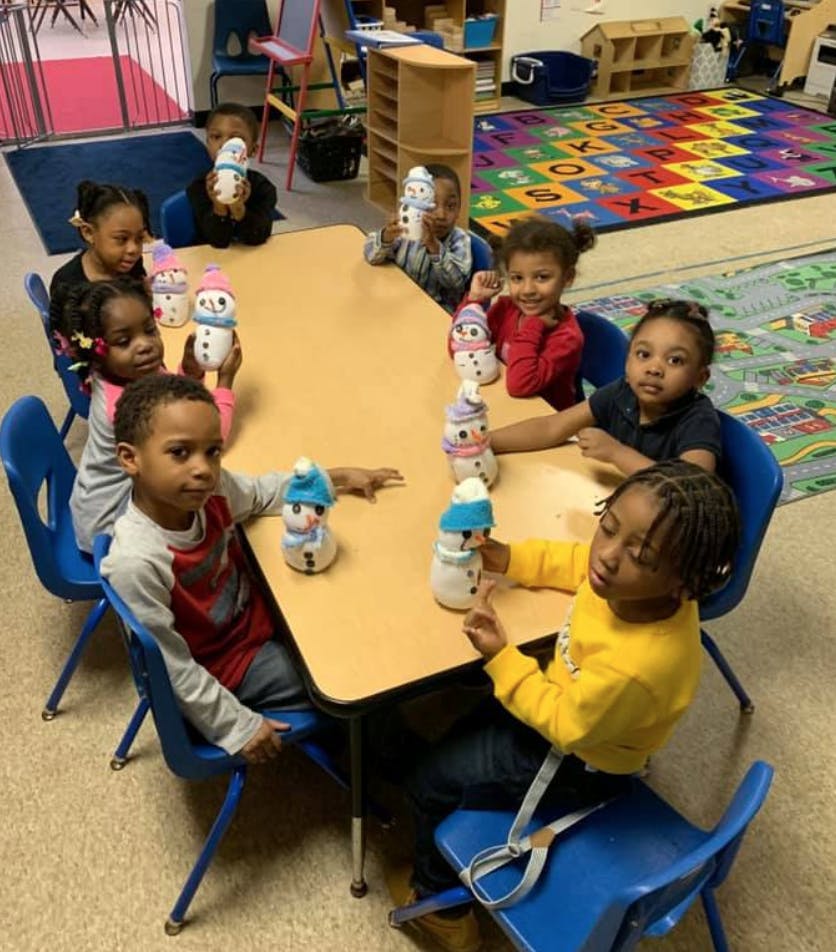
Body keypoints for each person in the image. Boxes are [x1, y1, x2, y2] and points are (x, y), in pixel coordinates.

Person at [388, 460, 740, 952]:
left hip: (571, 759)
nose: (609, 556)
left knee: (429, 783)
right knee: (465, 726)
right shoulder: (626, 584)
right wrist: (510, 557)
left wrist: (501, 658)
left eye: (640, 554)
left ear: (685, 582)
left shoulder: (638, 667)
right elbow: (578, 562)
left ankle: (442, 907)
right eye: (608, 527)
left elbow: (565, 726)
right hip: (566, 707)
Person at [100, 373, 403, 762]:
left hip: (255, 615)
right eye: (180, 452)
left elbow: (261, 492)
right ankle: (406, 768)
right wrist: (236, 726)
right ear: (130, 458)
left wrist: (337, 477)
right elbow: (171, 669)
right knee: (354, 683)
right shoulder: (136, 561)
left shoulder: (209, 491)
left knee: (358, 617)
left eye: (212, 451)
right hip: (228, 665)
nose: (203, 469)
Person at [50, 277, 240, 552]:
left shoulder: (131, 373)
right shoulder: (121, 405)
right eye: (124, 341)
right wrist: (225, 383)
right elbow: (210, 435)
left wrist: (190, 371)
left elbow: (175, 409)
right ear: (96, 352)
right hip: (107, 523)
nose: (145, 345)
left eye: (150, 330)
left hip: (100, 497)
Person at [491, 298, 722, 473]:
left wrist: (617, 454)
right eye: (643, 354)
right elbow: (552, 427)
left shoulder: (697, 419)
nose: (654, 369)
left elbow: (692, 489)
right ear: (628, 360)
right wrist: (484, 442)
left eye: (675, 360)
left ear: (700, 378)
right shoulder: (623, 392)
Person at [456, 215, 596, 411]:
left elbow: (519, 385)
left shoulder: (567, 337)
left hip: (545, 424)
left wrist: (533, 325)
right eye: (517, 278)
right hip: (503, 406)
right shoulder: (507, 308)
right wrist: (474, 301)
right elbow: (461, 349)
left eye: (541, 277)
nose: (527, 289)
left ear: (568, 277)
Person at [363, 164, 472, 314]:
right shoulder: (406, 231)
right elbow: (370, 256)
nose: (441, 214)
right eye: (432, 205)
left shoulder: (460, 239)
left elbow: (457, 283)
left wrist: (434, 247)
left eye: (451, 206)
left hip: (437, 311)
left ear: (460, 209)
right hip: (400, 300)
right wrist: (386, 237)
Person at [49, 180, 150, 328]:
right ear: (88, 232)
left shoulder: (132, 266)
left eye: (139, 238)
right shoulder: (67, 285)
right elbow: (68, 344)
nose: (133, 249)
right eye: (121, 239)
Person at [186, 101, 277, 248]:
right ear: (207, 143)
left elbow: (258, 237)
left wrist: (238, 209)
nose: (224, 145)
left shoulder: (263, 188)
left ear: (253, 150)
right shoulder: (198, 187)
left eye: (236, 139)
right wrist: (219, 207)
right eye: (216, 137)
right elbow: (216, 242)